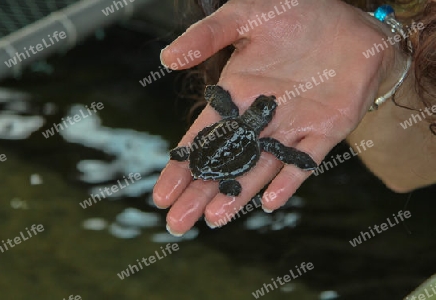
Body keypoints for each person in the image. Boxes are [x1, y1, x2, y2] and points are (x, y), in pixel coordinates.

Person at [153, 0, 436, 236]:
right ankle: (224, 182)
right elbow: (400, 177)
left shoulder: (231, 116)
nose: (266, 109)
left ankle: (217, 176)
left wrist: (389, 61)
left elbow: (403, 177)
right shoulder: (259, 140)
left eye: (263, 108)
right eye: (264, 109)